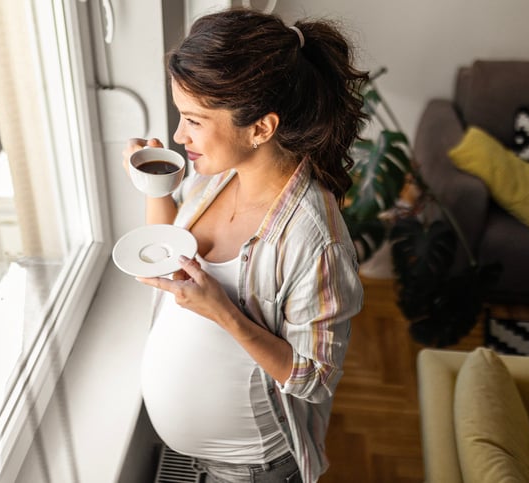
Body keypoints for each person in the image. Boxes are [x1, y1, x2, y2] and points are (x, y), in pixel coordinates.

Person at [122, 8, 365, 483]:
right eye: (180, 115)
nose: (178, 135)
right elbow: (174, 258)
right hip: (196, 462)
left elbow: (315, 379)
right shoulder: (214, 181)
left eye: (193, 120)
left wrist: (224, 313)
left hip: (250, 471)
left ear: (261, 128)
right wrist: (156, 190)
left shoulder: (314, 242)